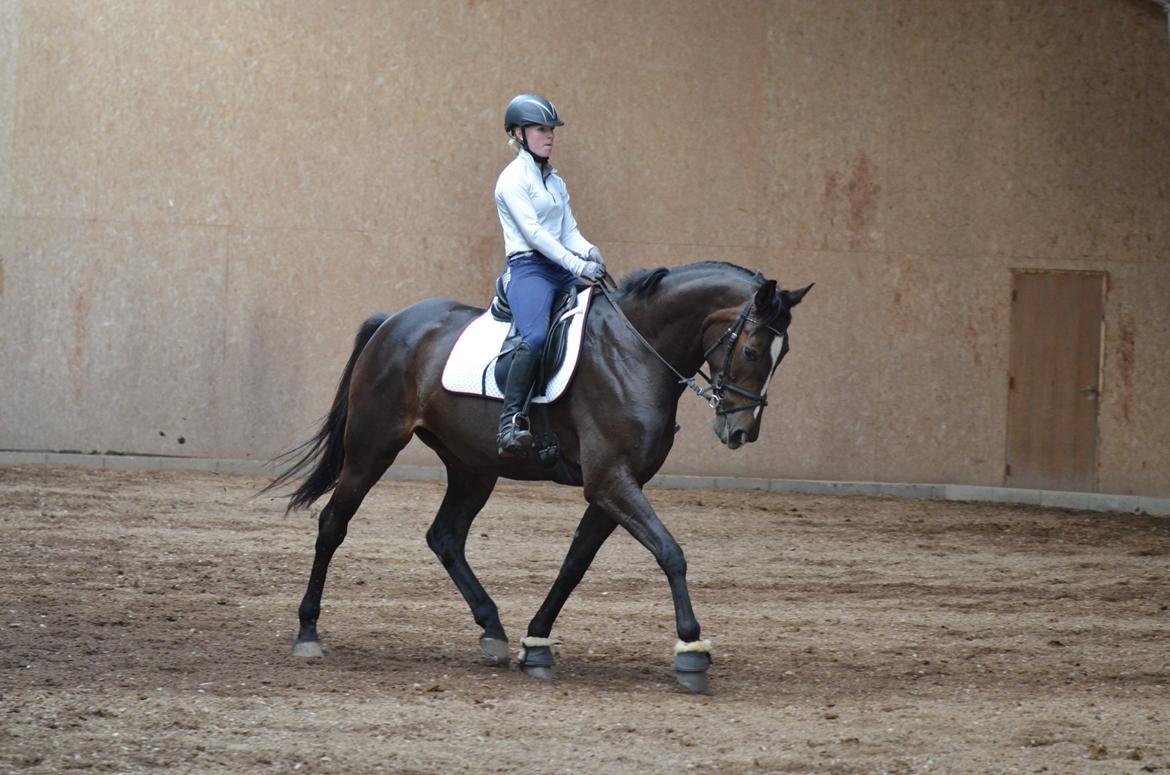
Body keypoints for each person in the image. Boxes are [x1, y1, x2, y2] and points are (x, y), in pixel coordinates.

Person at [494, 93, 606, 459]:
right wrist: (577, 266)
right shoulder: (511, 180)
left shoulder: (555, 181)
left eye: (551, 129)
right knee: (537, 335)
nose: (550, 135)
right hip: (529, 269)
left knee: (604, 315)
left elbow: (568, 230)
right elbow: (535, 235)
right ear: (518, 133)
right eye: (541, 129)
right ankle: (510, 421)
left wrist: (589, 251)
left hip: (559, 266)